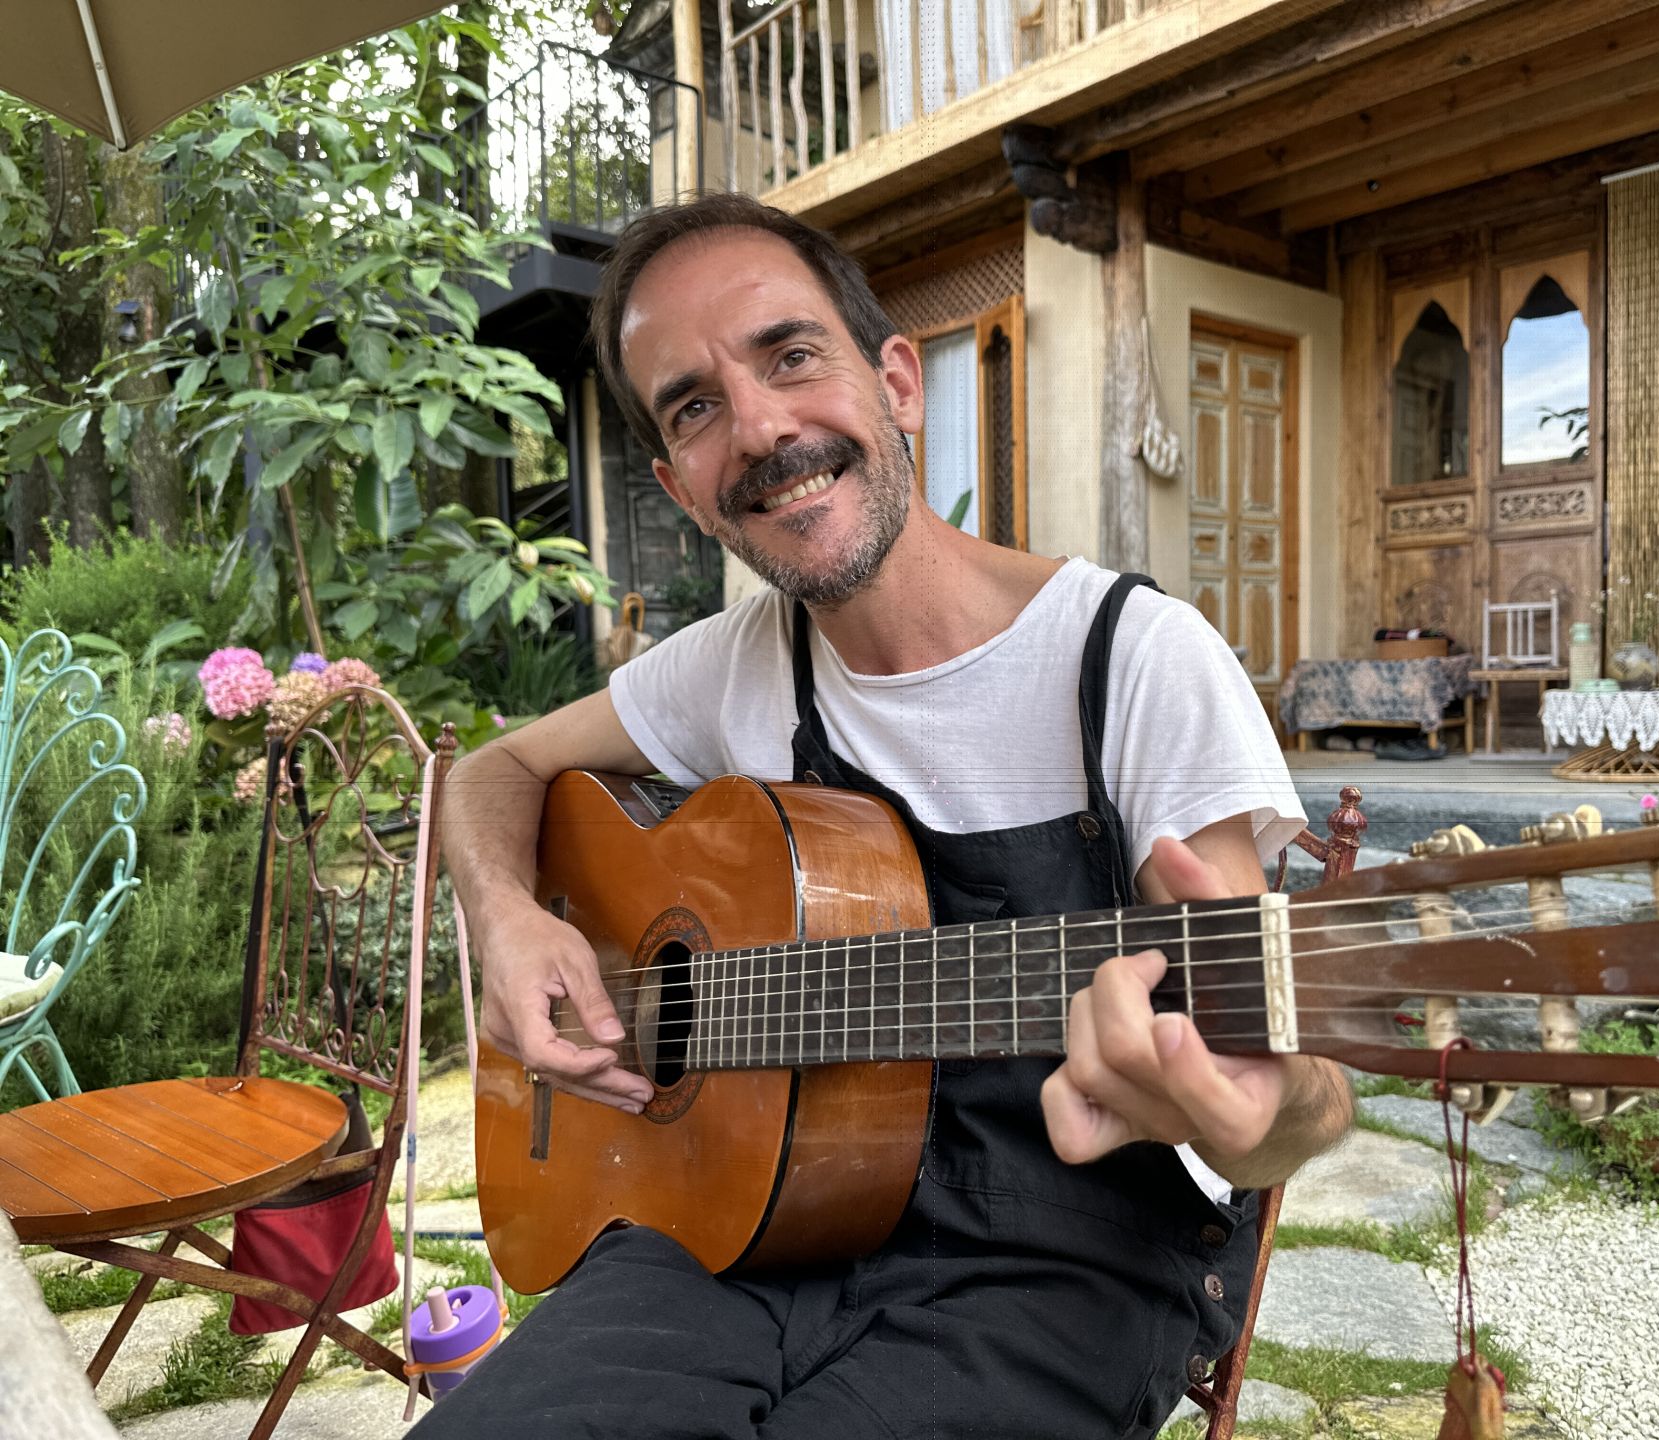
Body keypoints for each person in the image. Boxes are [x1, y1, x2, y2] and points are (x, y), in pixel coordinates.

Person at [425, 192, 1352, 1440]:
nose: (760, 428)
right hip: (751, 1222)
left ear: (899, 383)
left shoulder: (1134, 660)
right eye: (694, 407)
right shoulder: (736, 663)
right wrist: (506, 918)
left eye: (791, 354)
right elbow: (491, 770)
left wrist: (1266, 1115)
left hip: (1059, 1266)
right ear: (681, 488)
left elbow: (1289, 1080)